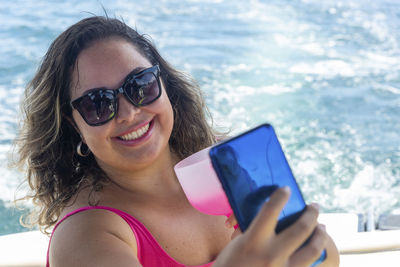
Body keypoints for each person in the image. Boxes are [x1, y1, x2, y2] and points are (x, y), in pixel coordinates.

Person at [13, 16, 339, 267]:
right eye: (98, 104)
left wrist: (300, 239)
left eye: (140, 84)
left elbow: (324, 256)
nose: (128, 112)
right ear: (74, 124)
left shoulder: (225, 162)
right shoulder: (84, 234)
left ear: (164, 83)